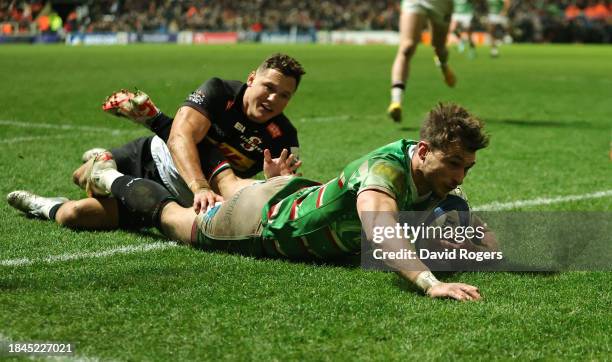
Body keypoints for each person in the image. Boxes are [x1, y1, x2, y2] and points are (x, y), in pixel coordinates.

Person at [8, 103, 494, 300]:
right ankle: (109, 175)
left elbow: (436, 218)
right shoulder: (386, 169)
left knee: (86, 215)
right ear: (425, 151)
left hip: (288, 192)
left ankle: (54, 200)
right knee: (170, 217)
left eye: (466, 168)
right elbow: (380, 229)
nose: (458, 176)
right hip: (264, 224)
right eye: (454, 164)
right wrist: (428, 282)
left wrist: (469, 235)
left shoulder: (427, 174)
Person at [99, 53, 305, 213]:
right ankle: (155, 121)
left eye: (284, 95)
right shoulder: (219, 91)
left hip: (198, 201)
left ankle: (155, 119)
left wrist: (276, 182)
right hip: (156, 157)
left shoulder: (286, 138)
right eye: (268, 87)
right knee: (83, 173)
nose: (273, 99)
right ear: (251, 78)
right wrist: (200, 187)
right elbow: (180, 137)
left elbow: (287, 196)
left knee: (79, 214)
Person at [389, 0, 457, 123]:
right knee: (407, 47)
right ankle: (396, 101)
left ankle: (442, 64)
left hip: (441, 3)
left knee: (439, 47)